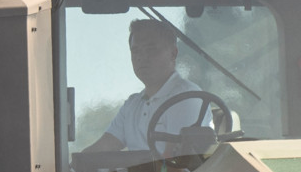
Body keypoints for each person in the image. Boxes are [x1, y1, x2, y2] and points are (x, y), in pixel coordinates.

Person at [86, 18, 214, 154]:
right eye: (135, 51)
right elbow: (104, 146)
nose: (141, 57)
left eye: (150, 50)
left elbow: (174, 164)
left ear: (173, 54)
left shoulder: (186, 97)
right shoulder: (132, 104)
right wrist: (72, 168)